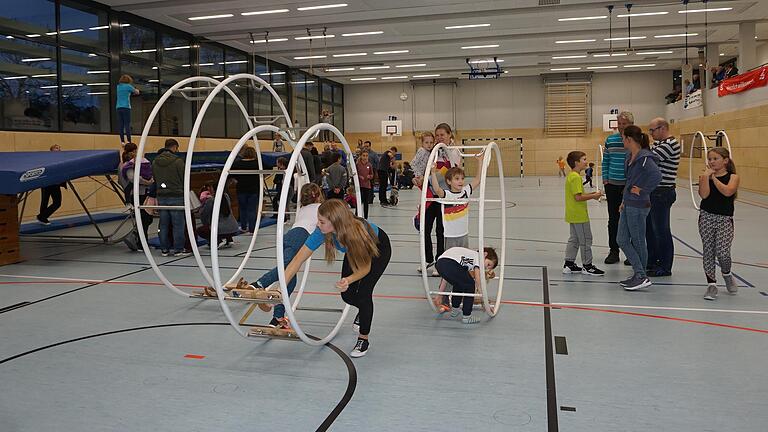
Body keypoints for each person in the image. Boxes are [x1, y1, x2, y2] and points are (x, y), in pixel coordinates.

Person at [282, 199, 391, 357]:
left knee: (364, 293)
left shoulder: (356, 234)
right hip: (353, 251)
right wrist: (281, 287)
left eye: (321, 221)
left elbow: (365, 268)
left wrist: (349, 280)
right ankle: (363, 309)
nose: (318, 225)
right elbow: (298, 259)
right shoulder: (322, 231)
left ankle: (363, 338)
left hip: (378, 250)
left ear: (335, 222)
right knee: (347, 295)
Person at [235, 185, 326, 327]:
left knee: (289, 279)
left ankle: (277, 317)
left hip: (288, 237)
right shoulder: (321, 208)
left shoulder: (302, 209)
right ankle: (258, 284)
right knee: (285, 269)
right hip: (301, 237)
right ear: (318, 194)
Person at [617, 125, 661, 291]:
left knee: (637, 240)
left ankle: (641, 276)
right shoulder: (630, 156)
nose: (622, 141)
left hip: (639, 205)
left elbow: (657, 175)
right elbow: (629, 180)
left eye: (623, 138)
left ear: (629, 139)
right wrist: (623, 200)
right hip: (628, 203)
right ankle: (639, 273)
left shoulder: (645, 157)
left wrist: (643, 190)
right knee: (621, 239)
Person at [699, 148, 740, 301]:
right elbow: (704, 195)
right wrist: (706, 178)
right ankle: (711, 284)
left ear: (725, 161)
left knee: (723, 252)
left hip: (725, 219)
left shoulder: (733, 177)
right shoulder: (705, 176)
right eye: (709, 159)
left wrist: (714, 178)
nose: (711, 162)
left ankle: (727, 273)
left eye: (715, 158)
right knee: (708, 251)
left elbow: (728, 192)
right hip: (707, 217)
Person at [646, 118, 680, 277]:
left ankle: (665, 266)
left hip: (662, 192)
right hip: (655, 191)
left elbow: (646, 160)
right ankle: (654, 260)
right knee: (653, 230)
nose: (651, 134)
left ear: (663, 128)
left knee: (661, 231)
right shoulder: (659, 144)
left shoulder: (669, 144)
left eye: (652, 130)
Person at [563, 151, 604, 276]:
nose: (586, 161)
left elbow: (578, 195)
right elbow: (578, 197)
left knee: (574, 239)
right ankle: (587, 266)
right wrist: (594, 196)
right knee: (586, 239)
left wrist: (592, 195)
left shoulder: (571, 176)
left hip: (572, 214)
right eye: (584, 159)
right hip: (579, 215)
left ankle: (569, 264)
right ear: (576, 163)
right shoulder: (576, 177)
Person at [434, 247, 499, 324]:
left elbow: (445, 277)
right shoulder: (478, 256)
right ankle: (467, 316)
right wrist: (484, 301)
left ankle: (455, 310)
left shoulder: (467, 258)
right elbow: (477, 281)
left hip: (440, 264)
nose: (485, 268)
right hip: (450, 263)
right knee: (470, 284)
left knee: (460, 283)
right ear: (485, 254)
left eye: (488, 268)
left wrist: (439, 295)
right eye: (488, 264)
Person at [602, 111, 634, 265]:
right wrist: (605, 179)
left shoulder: (636, 140)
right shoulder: (611, 139)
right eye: (619, 123)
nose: (621, 126)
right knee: (613, 219)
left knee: (630, 220)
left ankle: (631, 252)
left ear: (631, 124)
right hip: (612, 185)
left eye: (625, 123)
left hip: (629, 186)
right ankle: (614, 251)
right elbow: (605, 160)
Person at [152, 138, 188, 257]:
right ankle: (178, 249)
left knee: (163, 224)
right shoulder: (178, 161)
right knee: (178, 224)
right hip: (176, 195)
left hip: (161, 196)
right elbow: (184, 179)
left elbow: (155, 180)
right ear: (174, 147)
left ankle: (164, 249)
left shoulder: (155, 161)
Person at [119, 142, 153, 249]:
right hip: (136, 194)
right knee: (143, 219)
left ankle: (142, 241)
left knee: (145, 219)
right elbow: (132, 178)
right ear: (131, 152)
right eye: (135, 151)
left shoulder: (133, 164)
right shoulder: (126, 165)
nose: (136, 153)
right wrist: (146, 182)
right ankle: (141, 242)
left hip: (141, 192)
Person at [231, 146, 261, 233]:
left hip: (241, 188)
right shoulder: (257, 163)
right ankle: (252, 229)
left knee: (242, 209)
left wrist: (235, 179)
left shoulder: (237, 163)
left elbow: (230, 174)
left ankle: (243, 227)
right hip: (253, 189)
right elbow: (268, 168)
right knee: (251, 209)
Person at [36, 144, 65, 225]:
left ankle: (42, 216)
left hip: (55, 183)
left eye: (59, 148)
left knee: (57, 203)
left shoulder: (62, 160)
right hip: (47, 183)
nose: (58, 149)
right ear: (51, 150)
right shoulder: (47, 159)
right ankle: (42, 218)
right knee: (45, 201)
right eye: (56, 148)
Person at [116, 74, 140, 147]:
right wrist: (136, 89)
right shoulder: (128, 86)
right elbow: (137, 92)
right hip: (126, 107)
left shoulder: (118, 87)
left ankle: (122, 141)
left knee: (121, 125)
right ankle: (129, 141)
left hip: (118, 107)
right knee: (127, 124)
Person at [355, 150, 374, 219]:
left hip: (367, 185)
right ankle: (357, 215)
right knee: (358, 201)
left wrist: (370, 176)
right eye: (363, 155)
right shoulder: (357, 164)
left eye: (366, 156)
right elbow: (355, 174)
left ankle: (366, 217)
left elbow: (372, 174)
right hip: (359, 185)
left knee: (366, 202)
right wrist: (359, 176)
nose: (365, 157)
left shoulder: (369, 165)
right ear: (361, 156)